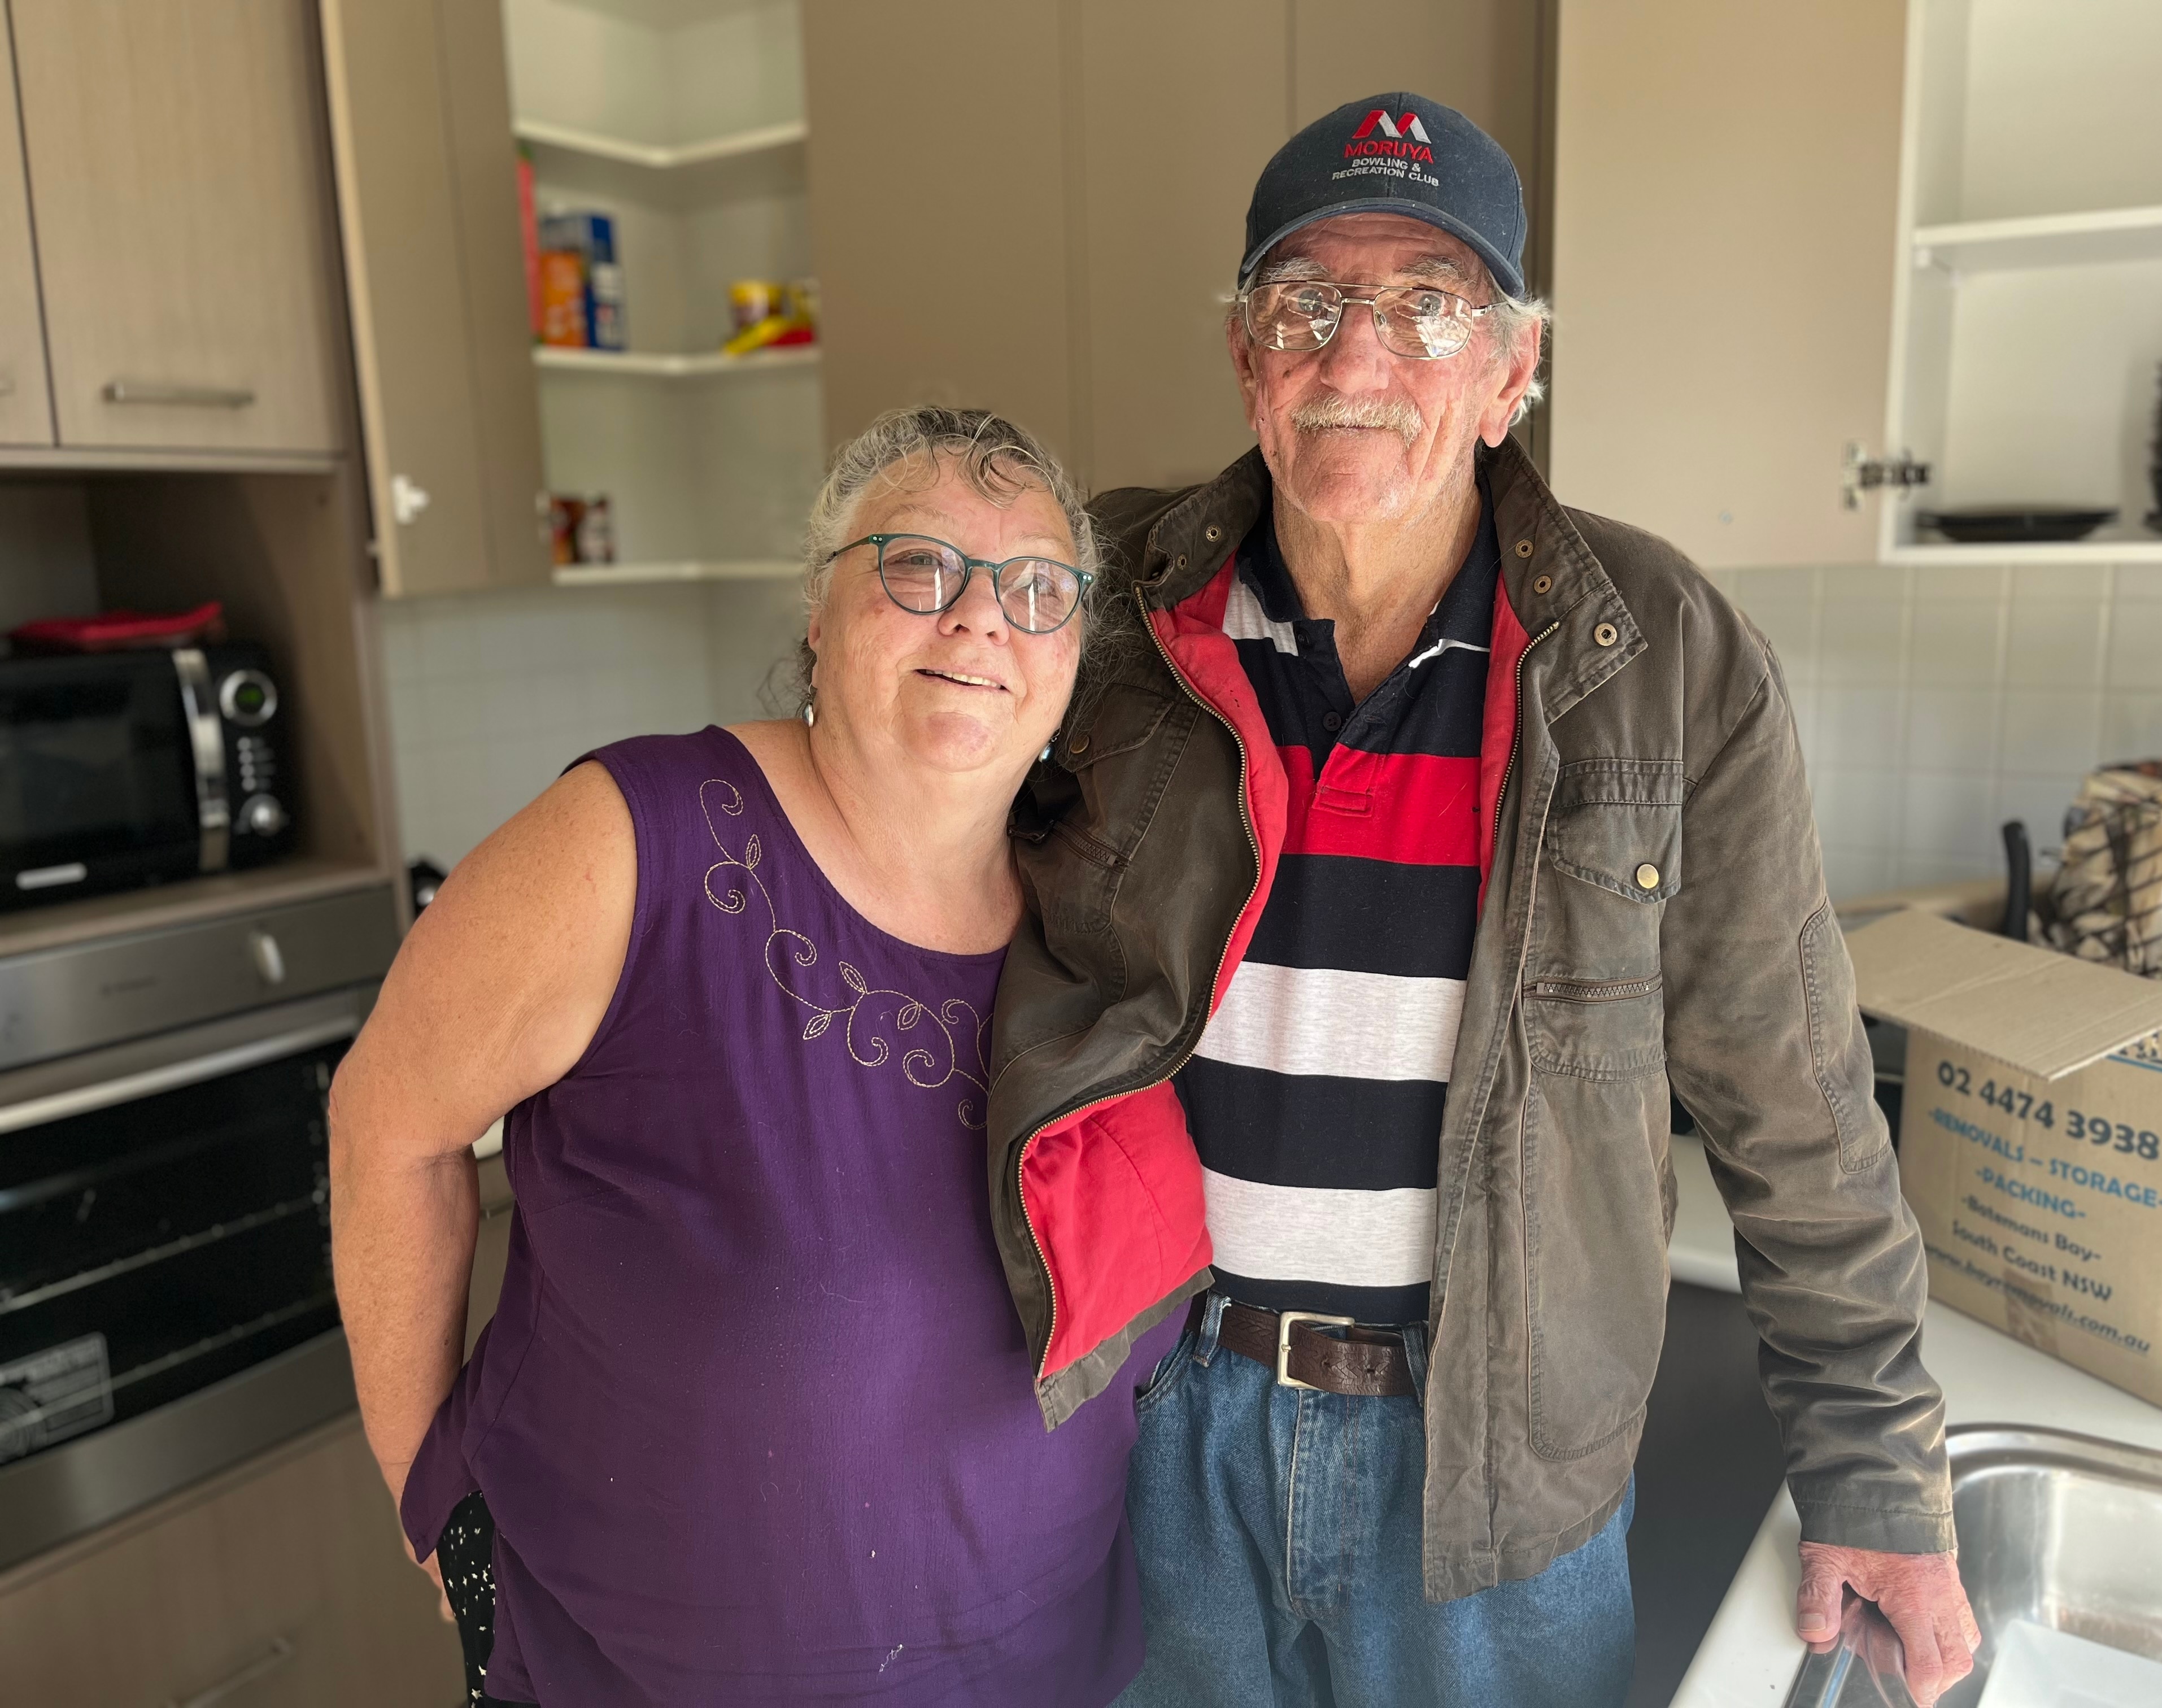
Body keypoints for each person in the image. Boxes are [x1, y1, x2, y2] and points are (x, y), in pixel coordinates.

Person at [979, 94, 1985, 1706]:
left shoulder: (1666, 658)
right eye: (1307, 303)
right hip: (1154, 1423)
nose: (1356, 357)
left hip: (1493, 1471)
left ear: (1515, 375)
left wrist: (1878, 1478)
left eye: (1427, 310)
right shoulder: (1102, 615)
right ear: (1249, 356)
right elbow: (912, 889)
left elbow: (1794, 1104)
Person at [328, 407, 1181, 1706]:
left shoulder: (1106, 909)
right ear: (818, 620)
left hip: (1055, 1666)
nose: (980, 619)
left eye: (1037, 588)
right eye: (917, 566)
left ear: (1074, 663)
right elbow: (389, 1126)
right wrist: (420, 1488)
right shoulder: (634, 846)